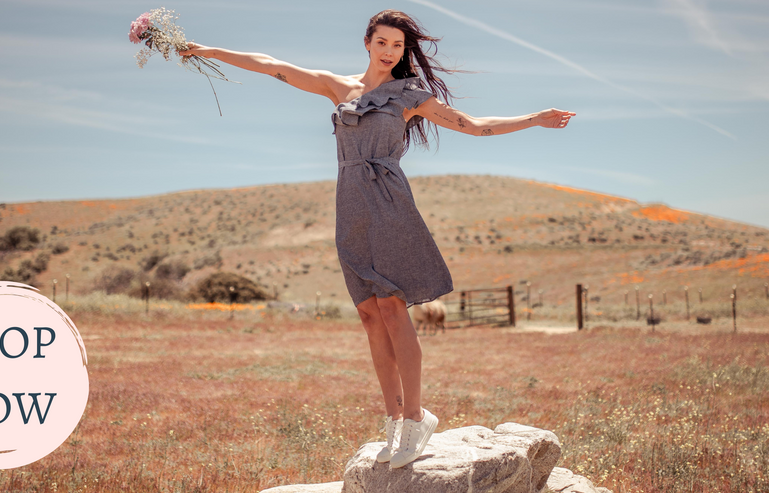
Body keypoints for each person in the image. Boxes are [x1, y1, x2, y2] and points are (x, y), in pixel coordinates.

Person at [179, 9, 574, 469]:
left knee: (391, 306)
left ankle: (416, 417)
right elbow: (272, 65)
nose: (389, 52)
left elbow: (473, 124)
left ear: (404, 51)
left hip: (388, 202)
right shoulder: (338, 87)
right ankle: (394, 418)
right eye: (382, 42)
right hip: (350, 204)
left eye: (397, 46)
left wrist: (534, 118)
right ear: (367, 42)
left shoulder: (410, 95)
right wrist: (206, 51)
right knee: (369, 315)